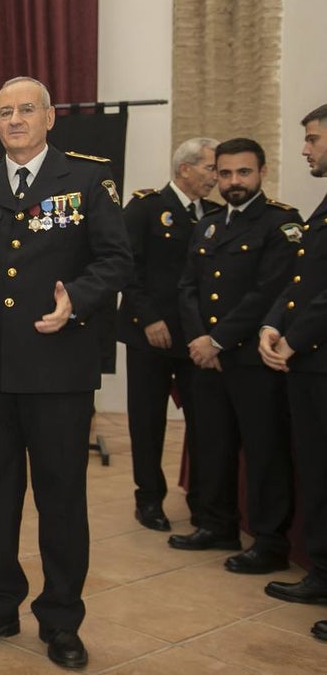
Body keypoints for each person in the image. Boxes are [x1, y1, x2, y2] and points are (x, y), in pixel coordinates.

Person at [0, 76, 132, 670]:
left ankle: (61, 619)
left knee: (61, 499)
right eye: (5, 112)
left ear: (50, 118)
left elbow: (117, 259)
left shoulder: (85, 178)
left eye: (27, 110)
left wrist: (76, 298)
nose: (15, 119)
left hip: (58, 367)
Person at [172, 138, 299, 576]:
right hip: (208, 359)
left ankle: (268, 542)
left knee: (264, 453)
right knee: (212, 444)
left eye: (243, 172)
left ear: (262, 172)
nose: (232, 182)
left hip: (251, 361)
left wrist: (218, 341)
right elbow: (187, 287)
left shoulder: (281, 224)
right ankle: (217, 524)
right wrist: (199, 341)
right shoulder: (207, 225)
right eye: (224, 173)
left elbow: (269, 292)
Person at [118, 137, 221, 532]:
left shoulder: (212, 214)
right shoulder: (146, 207)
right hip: (151, 336)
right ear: (185, 169)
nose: (215, 177)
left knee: (204, 423)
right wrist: (148, 319)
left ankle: (202, 502)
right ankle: (148, 500)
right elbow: (126, 266)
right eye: (211, 168)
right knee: (147, 423)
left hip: (197, 340)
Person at [259, 104, 327, 641]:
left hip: (315, 357)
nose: (305, 148)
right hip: (305, 361)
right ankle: (322, 574)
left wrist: (295, 338)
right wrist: (275, 323)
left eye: (312, 139)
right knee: (316, 472)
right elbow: (303, 279)